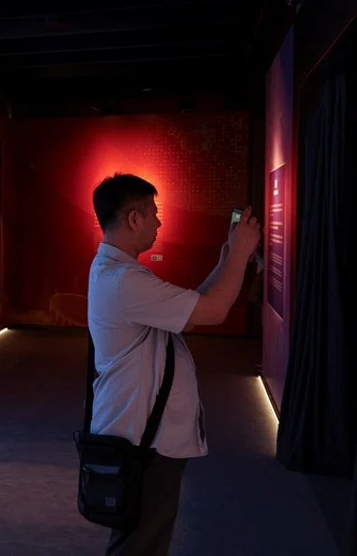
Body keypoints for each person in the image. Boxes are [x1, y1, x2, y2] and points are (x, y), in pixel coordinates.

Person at [87, 173, 261, 555]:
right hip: (142, 440)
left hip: (140, 435)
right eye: (153, 213)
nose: (159, 222)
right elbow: (213, 311)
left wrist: (228, 261)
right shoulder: (124, 281)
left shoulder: (120, 275)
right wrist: (240, 253)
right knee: (141, 541)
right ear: (134, 219)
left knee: (142, 535)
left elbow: (194, 309)